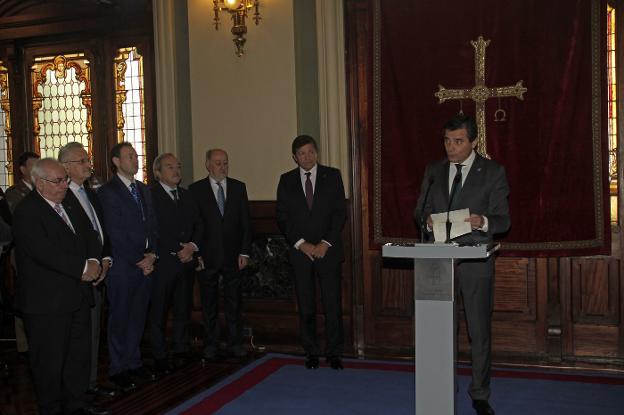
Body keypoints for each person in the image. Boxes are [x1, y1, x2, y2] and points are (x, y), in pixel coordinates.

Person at [414, 114, 510, 415]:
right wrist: (426, 222)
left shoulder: (492, 172)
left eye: (458, 141)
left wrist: (483, 222)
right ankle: (444, 382)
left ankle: (480, 392)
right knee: (443, 329)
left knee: (478, 330)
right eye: (447, 141)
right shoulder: (434, 171)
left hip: (475, 263)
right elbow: (420, 211)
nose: (451, 148)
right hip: (439, 262)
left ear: (474, 142)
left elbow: (503, 219)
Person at [13, 158, 108, 415]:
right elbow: (44, 253)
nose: (64, 185)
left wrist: (93, 260)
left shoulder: (68, 203)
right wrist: (82, 268)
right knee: (50, 362)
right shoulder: (26, 212)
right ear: (39, 183)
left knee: (77, 357)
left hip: (77, 296)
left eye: (65, 179)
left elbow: (90, 233)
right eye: (58, 181)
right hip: (47, 303)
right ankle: (51, 409)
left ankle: (76, 405)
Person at [276, 135, 347, 370]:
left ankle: (334, 352)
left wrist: (325, 243)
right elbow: (283, 217)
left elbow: (339, 213)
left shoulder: (333, 175)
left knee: (332, 303)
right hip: (300, 253)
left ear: (316, 153)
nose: (307, 157)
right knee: (306, 304)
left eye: (310, 152)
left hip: (328, 251)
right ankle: (311, 352)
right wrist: (302, 244)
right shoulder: (286, 181)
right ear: (294, 157)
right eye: (301, 153)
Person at [98, 142, 158, 391]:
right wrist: (139, 259)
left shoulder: (143, 189)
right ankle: (117, 367)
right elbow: (115, 233)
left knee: (137, 316)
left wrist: (152, 254)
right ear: (115, 161)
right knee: (120, 317)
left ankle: (133, 363)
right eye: (129, 156)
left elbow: (153, 225)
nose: (135, 160)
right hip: (124, 265)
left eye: (136, 156)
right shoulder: (108, 192)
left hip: (146, 264)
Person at [58, 142, 117, 399]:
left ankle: (90, 382)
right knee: (78, 339)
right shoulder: (63, 197)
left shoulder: (91, 193)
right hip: (77, 277)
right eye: (82, 161)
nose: (88, 165)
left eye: (87, 160)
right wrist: (89, 265)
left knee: (93, 334)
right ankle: (78, 388)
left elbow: (101, 232)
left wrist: (105, 259)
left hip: (99, 273)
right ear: (66, 167)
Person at [189, 149, 251, 360]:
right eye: (217, 163)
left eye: (225, 162)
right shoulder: (196, 190)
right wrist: (197, 255)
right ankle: (211, 344)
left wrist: (245, 251)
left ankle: (236, 343)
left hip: (234, 256)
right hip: (207, 257)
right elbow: (194, 226)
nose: (222, 167)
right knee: (209, 304)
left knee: (234, 303)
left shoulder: (238, 187)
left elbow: (245, 223)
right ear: (207, 164)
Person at [149, 153, 203, 374]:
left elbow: (199, 224)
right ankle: (159, 355)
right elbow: (154, 229)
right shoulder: (150, 196)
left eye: (178, 166)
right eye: (170, 167)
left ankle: (181, 349)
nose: (176, 170)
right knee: (159, 311)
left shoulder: (187, 195)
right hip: (164, 263)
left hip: (186, 262)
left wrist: (192, 246)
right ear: (158, 173)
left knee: (183, 308)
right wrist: (177, 249)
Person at [5, 151, 40, 358]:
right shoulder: (14, 193)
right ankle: (24, 345)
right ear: (23, 170)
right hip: (23, 253)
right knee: (25, 294)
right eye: (33, 166)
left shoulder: (46, 189)